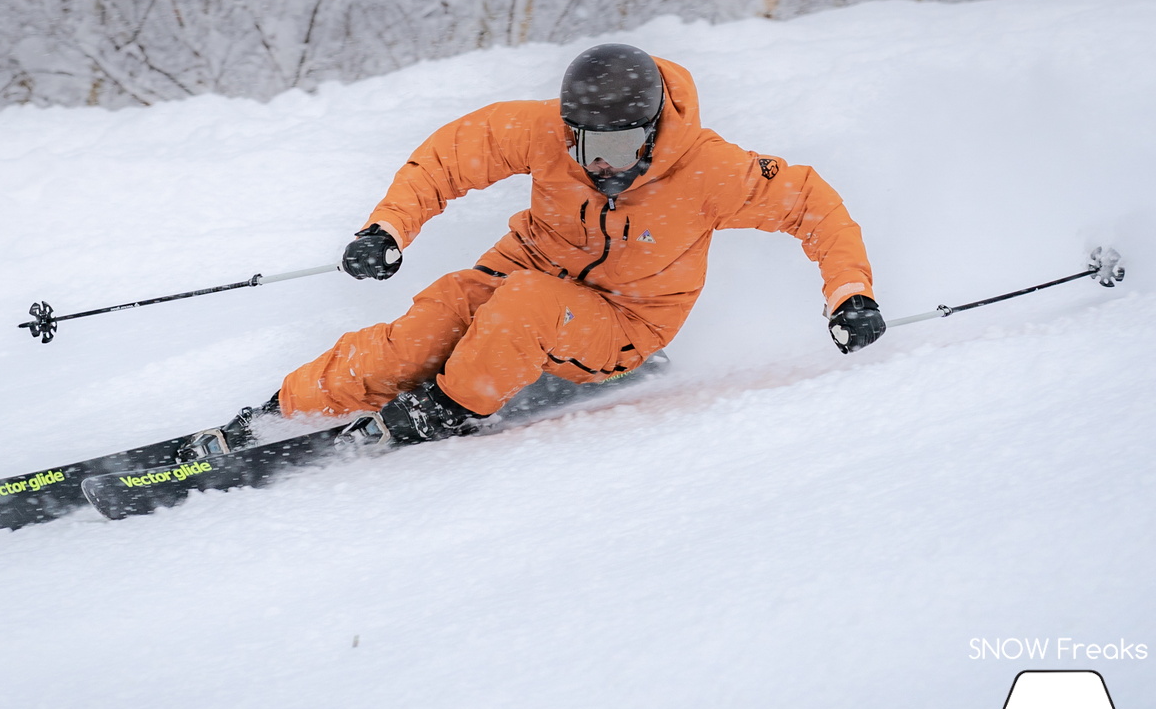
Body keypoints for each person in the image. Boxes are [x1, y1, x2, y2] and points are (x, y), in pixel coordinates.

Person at [272, 43, 885, 445]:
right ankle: (285, 408)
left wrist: (850, 294)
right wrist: (387, 228)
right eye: (585, 147)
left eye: (617, 149)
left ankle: (446, 407)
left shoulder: (711, 171)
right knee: (433, 317)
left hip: (624, 318)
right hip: (522, 274)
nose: (600, 165)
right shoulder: (544, 131)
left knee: (524, 309)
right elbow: (450, 156)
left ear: (650, 135)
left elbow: (814, 208)